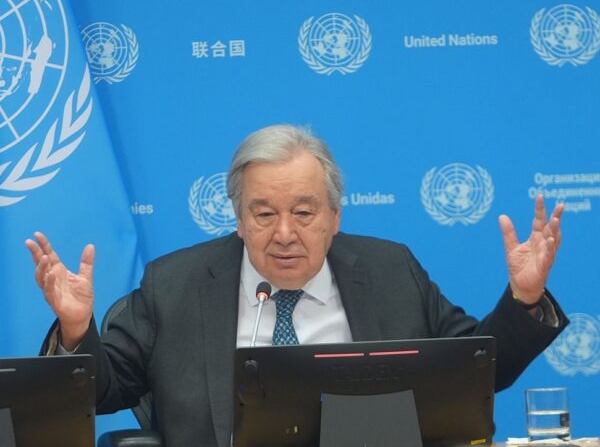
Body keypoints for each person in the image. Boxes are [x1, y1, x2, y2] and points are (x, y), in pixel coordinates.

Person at [26, 124, 567, 447]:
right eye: (264, 213)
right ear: (239, 219)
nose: (284, 234)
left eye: (304, 213)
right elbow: (101, 392)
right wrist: (75, 329)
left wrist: (523, 299)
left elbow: (476, 369)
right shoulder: (175, 285)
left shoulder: (389, 270)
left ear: (334, 216)